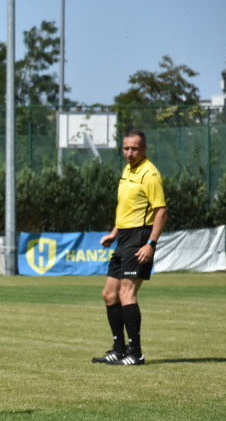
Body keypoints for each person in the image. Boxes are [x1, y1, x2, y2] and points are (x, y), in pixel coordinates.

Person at [92, 128, 167, 366]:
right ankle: (119, 349)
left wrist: (150, 244)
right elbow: (125, 207)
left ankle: (136, 353)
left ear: (144, 149)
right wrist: (114, 234)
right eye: (126, 148)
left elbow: (161, 211)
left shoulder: (149, 174)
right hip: (123, 238)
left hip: (139, 237)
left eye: (135, 148)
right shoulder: (127, 170)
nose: (130, 153)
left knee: (127, 294)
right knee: (109, 294)